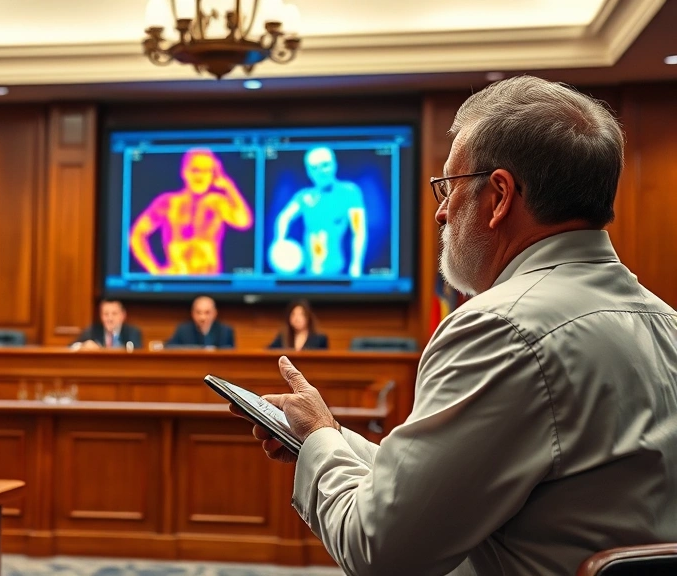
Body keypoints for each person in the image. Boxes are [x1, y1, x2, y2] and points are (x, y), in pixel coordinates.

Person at [236, 75, 677, 576]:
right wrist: (330, 435)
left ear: (500, 195)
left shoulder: (502, 329)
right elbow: (445, 488)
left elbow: (381, 551)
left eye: (448, 187)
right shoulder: (667, 323)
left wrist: (316, 444)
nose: (442, 212)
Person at [130, 148, 253, 275]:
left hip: (209, 284)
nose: (200, 176)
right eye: (195, 170)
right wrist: (153, 269)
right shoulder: (168, 203)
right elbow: (137, 234)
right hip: (176, 283)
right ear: (184, 172)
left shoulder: (216, 203)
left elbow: (243, 222)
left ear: (213, 175)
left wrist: (228, 186)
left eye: (207, 171)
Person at [270, 147, 367, 277]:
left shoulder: (349, 192)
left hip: (336, 274)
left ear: (334, 165)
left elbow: (359, 232)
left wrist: (356, 265)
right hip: (308, 274)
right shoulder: (304, 197)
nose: (321, 172)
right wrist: (280, 241)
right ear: (308, 172)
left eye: (325, 165)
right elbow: (284, 217)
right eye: (314, 168)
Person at [72, 299, 143, 350]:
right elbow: (71, 347)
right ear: (101, 316)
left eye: (114, 314)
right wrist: (83, 346)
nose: (110, 318)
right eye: (106, 314)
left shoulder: (132, 332)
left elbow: (138, 352)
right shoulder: (93, 330)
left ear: (123, 315)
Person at [167, 295, 235, 348]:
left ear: (215, 313)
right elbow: (171, 348)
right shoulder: (183, 330)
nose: (202, 317)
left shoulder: (225, 331)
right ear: (192, 313)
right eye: (198, 312)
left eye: (207, 313)